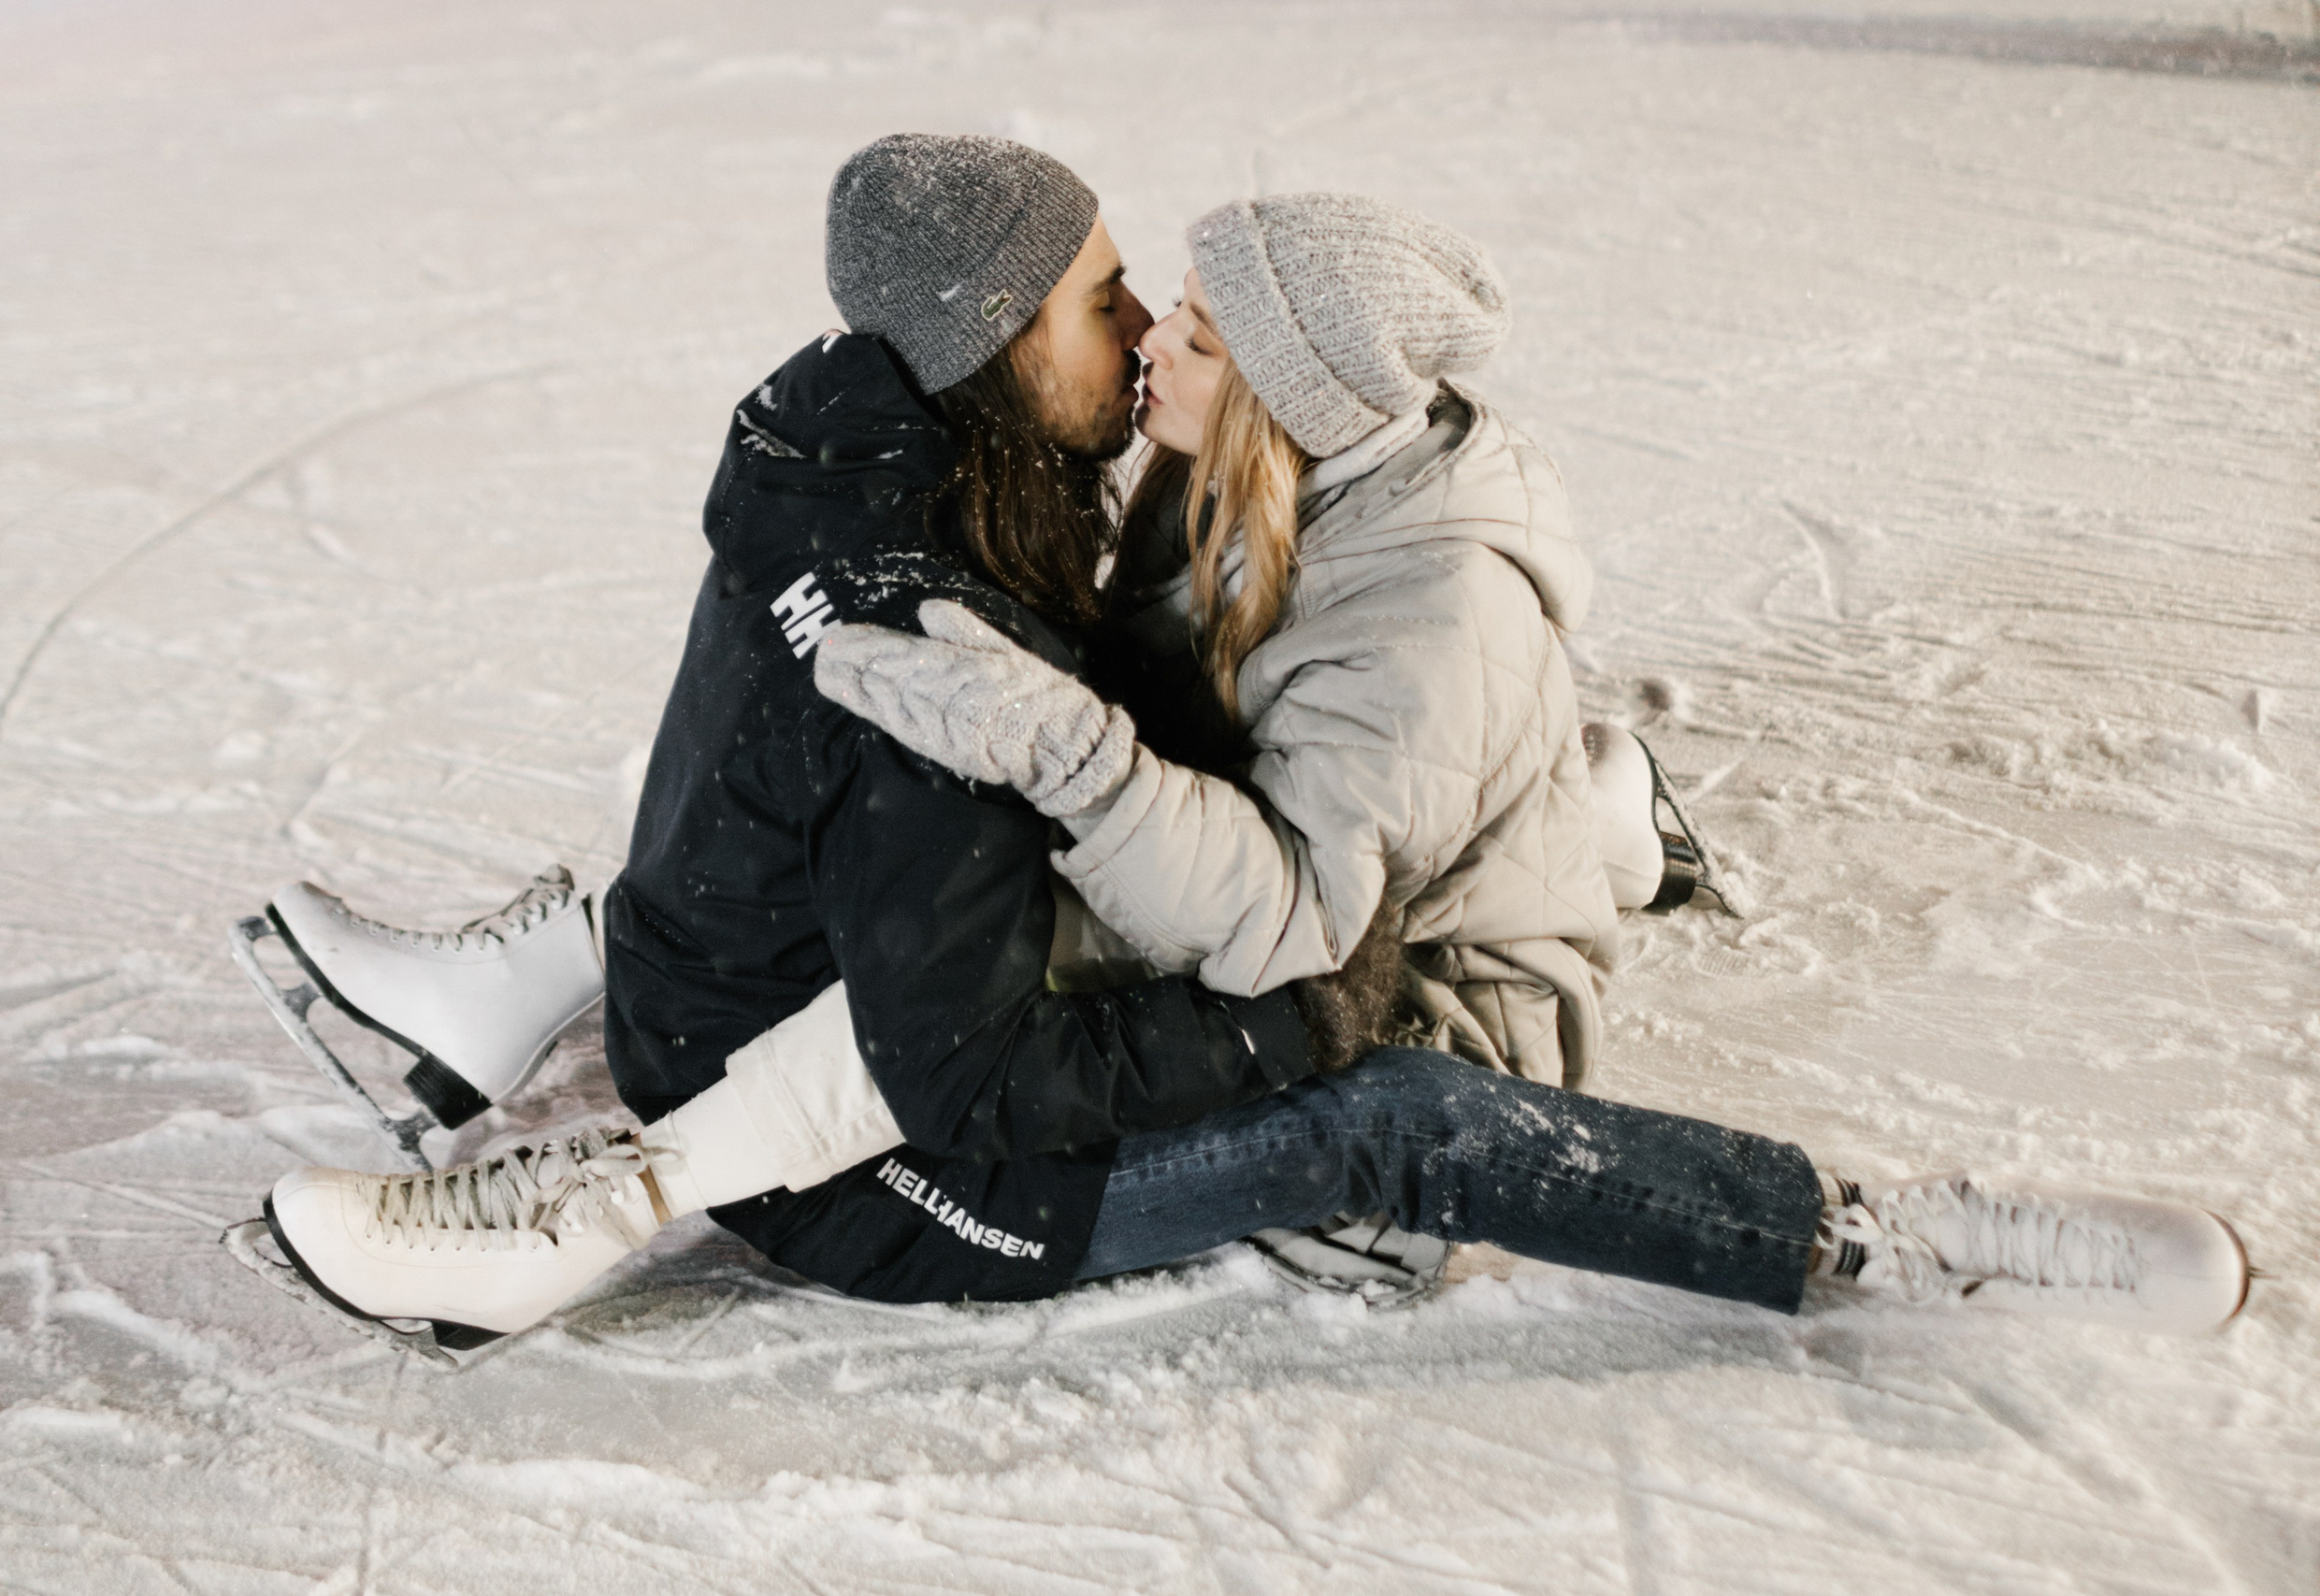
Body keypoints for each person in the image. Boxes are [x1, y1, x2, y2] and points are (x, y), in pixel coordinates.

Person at [235, 137, 2251, 1358]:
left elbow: (1289, 920)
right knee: (911, 868)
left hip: (1388, 984)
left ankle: (1888, 1235)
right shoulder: (1221, 488)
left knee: (1379, 1114)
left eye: (1184, 323)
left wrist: (1060, 758)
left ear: (1277, 390)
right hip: (1276, 894)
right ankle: (574, 1020)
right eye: (1139, 306)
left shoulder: (1417, 599)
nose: (1152, 342)